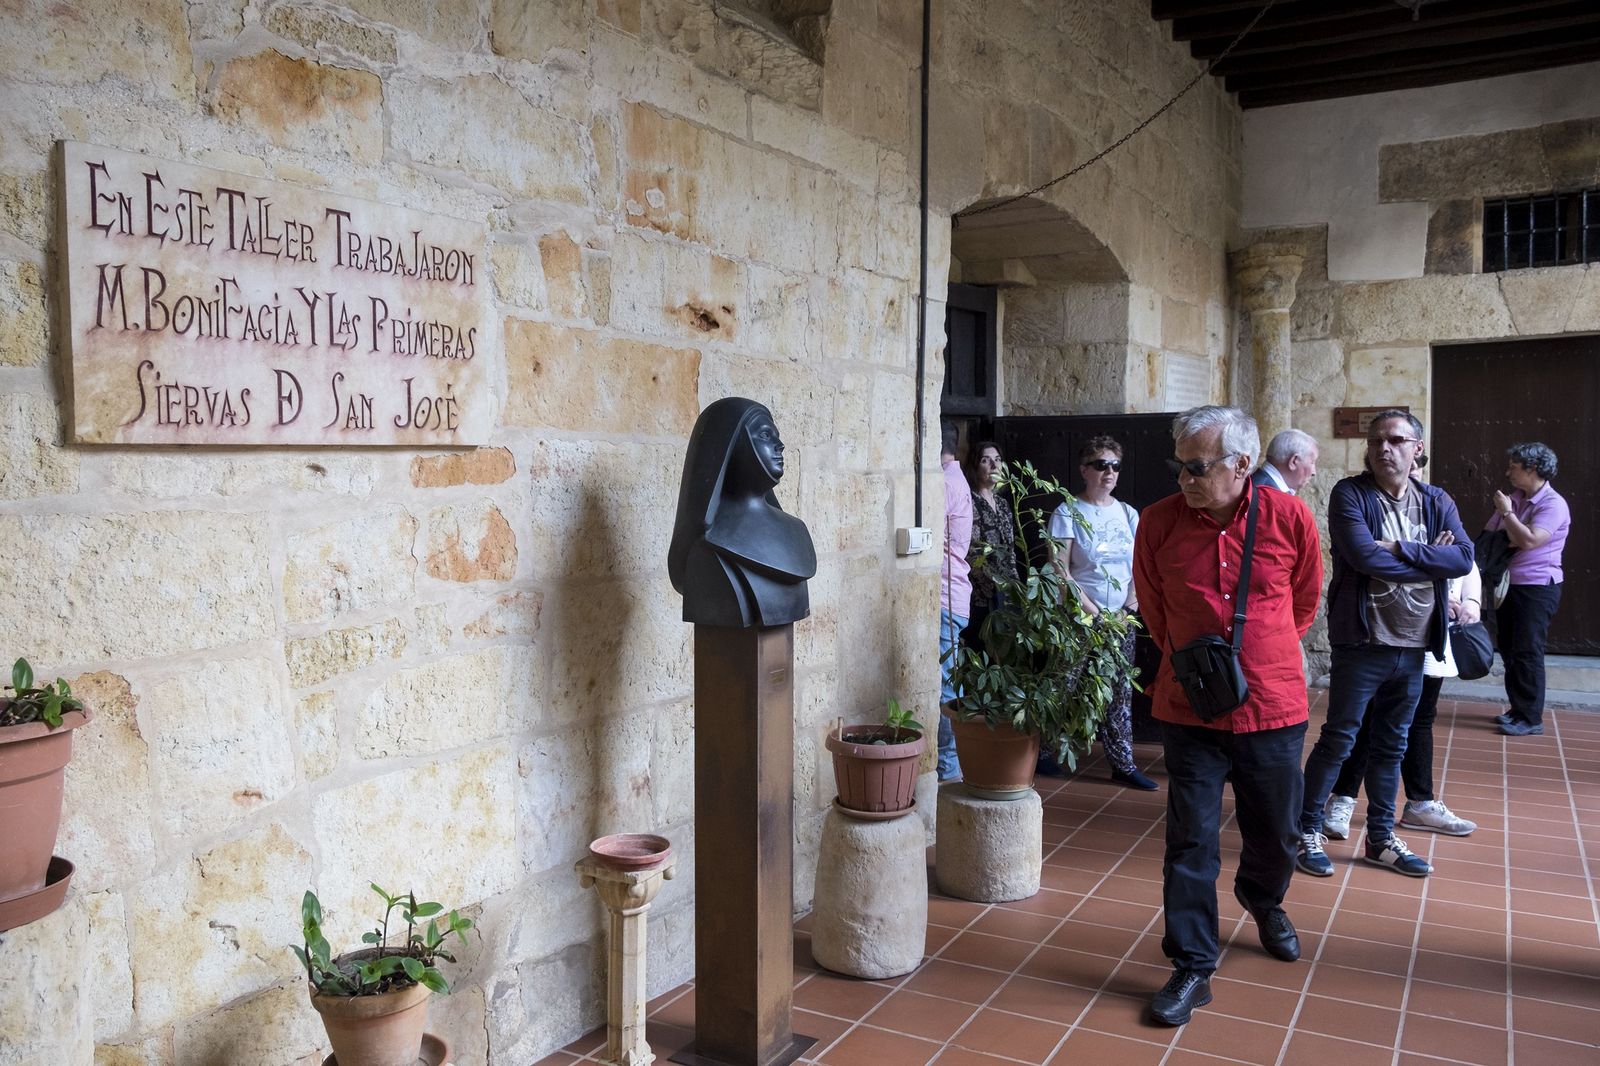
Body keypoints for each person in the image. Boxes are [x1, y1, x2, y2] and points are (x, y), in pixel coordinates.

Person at [1133, 406, 1323, 1027]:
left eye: (1197, 466)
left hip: (1272, 706)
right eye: (1179, 465)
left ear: (1242, 465)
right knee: (1190, 841)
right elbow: (1155, 614)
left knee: (1279, 830)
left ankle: (1263, 897)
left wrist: (1256, 655)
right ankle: (1192, 964)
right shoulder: (1159, 524)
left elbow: (1303, 600)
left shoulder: (1289, 516)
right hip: (1189, 709)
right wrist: (1201, 667)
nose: (1184, 478)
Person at [1298, 410, 1472, 882]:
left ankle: (1379, 839)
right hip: (1364, 641)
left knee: (1392, 745)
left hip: (1415, 646)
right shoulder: (1350, 494)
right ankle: (1306, 829)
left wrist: (1397, 550)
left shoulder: (1436, 500)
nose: (1383, 448)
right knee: (1339, 739)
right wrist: (1430, 559)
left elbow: (1463, 557)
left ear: (1417, 448)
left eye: (1396, 440)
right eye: (1376, 440)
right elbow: (1360, 554)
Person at [1324, 559, 1482, 840]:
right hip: (1391, 631)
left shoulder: (1444, 516)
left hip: (1434, 633)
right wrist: (1440, 591)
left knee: (1421, 719)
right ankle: (1342, 798)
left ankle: (1421, 803)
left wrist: (1471, 601)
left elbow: (1465, 560)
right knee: (1369, 717)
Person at [1047, 435, 1156, 790]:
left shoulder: (1128, 513)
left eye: (1115, 466)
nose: (1108, 472)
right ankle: (1047, 752)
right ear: (1084, 470)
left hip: (1120, 617)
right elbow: (1059, 568)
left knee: (1120, 689)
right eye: (1100, 465)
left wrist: (1129, 607)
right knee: (1067, 682)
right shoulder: (1068, 511)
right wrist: (1091, 610)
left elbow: (1141, 566)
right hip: (1081, 618)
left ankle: (1122, 762)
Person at [1485, 442, 1570, 737]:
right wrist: (1512, 525)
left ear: (1532, 469)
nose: (1508, 471)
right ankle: (1518, 709)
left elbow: (1529, 541)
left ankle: (1531, 717)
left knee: (1527, 651)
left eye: (1514, 466)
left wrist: (1508, 516)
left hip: (1537, 587)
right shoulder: (1516, 498)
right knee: (1509, 649)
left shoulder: (1553, 504)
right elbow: (1494, 537)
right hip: (1511, 585)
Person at [938, 421, 973, 781]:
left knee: (946, 687)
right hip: (954, 595)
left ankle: (949, 769)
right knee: (948, 680)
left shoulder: (945, 483)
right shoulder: (955, 479)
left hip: (946, 595)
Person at [964, 441, 1020, 646]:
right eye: (986, 460)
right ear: (975, 466)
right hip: (980, 593)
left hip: (1007, 591)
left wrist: (1015, 587)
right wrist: (993, 585)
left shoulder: (1004, 504)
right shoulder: (969, 501)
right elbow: (972, 551)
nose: (994, 466)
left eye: (997, 460)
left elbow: (1010, 548)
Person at [1252, 428, 1319, 495]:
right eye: (1312, 462)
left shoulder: (1254, 483)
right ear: (1294, 461)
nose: (1314, 472)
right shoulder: (1268, 496)